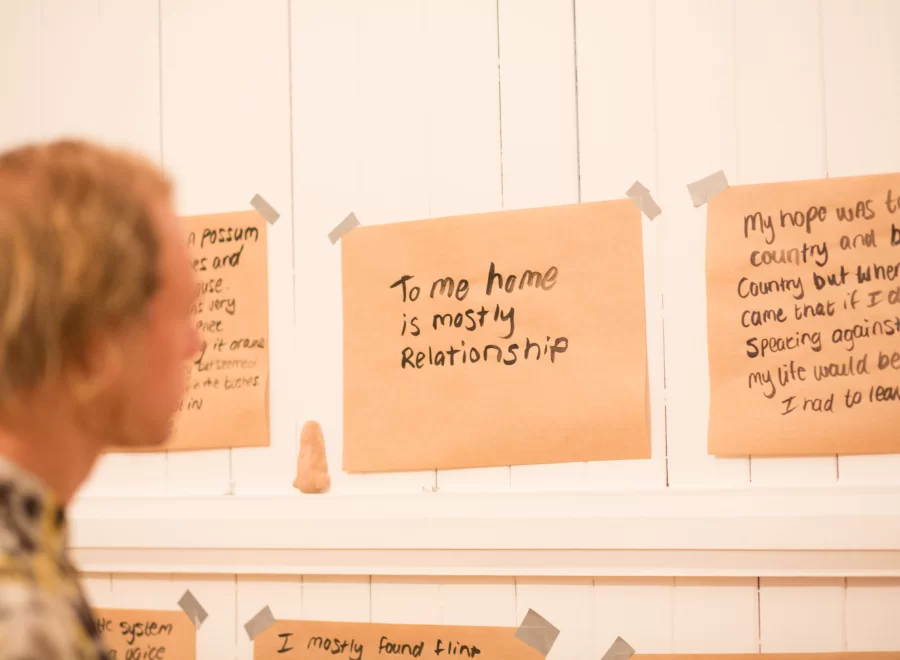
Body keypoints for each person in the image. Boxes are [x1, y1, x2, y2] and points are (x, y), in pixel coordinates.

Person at [0, 140, 201, 658]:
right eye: (181, 314)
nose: (195, 344)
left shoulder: (31, 546)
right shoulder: (23, 623)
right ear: (94, 346)